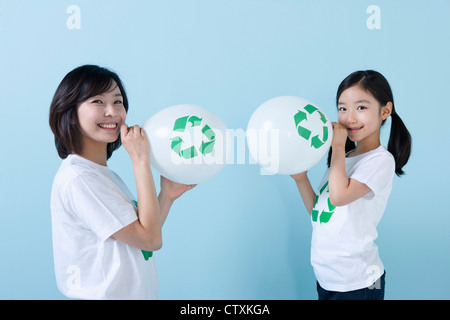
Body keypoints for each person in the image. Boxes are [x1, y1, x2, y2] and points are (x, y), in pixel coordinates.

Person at [49, 65, 196, 299]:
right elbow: (151, 239)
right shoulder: (81, 179)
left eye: (118, 101)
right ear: (71, 113)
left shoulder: (100, 174)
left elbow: (140, 238)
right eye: (97, 102)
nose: (113, 112)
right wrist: (140, 160)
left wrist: (166, 196)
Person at [291, 70, 411, 300]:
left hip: (359, 282)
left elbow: (338, 197)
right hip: (328, 276)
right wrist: (301, 178)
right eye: (343, 108)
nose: (350, 118)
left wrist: (337, 147)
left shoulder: (380, 161)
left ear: (385, 111)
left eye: (361, 107)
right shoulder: (344, 158)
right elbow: (321, 210)